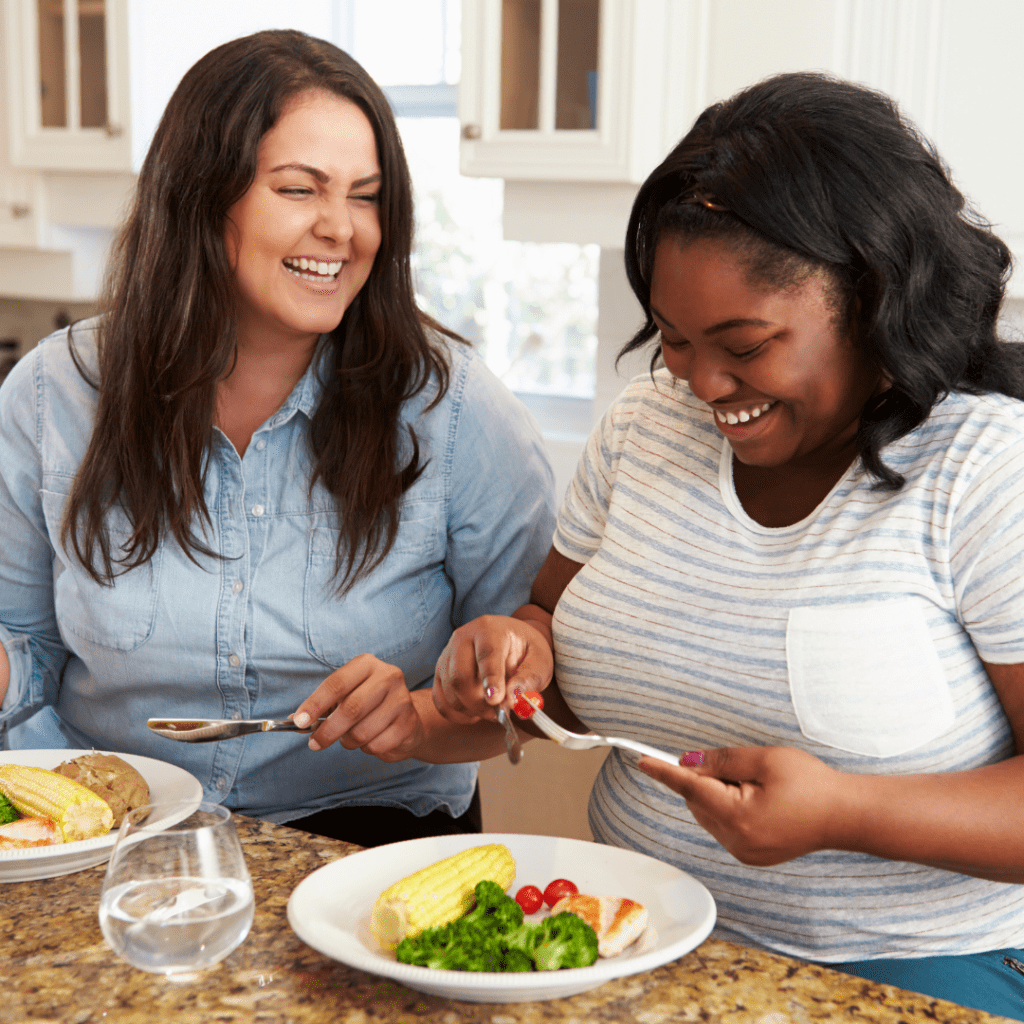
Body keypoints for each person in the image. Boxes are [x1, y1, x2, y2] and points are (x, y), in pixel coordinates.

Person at [427, 72, 1024, 1017]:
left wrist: (844, 815)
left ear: (871, 294)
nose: (703, 383)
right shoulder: (645, 427)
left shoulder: (988, 470)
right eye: (672, 337)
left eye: (744, 345)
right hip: (627, 938)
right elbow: (554, 634)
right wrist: (515, 652)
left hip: (912, 970)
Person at [0, 29, 556, 848]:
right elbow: (30, 649)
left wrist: (429, 710)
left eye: (365, 196)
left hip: (366, 848)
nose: (342, 228)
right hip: (111, 842)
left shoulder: (455, 409)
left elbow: (525, 696)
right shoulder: (54, 395)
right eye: (301, 189)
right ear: (199, 195)